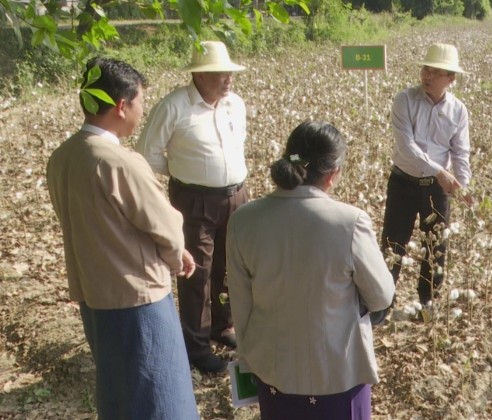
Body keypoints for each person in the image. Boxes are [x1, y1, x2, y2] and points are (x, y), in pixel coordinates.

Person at [46, 57, 199, 419]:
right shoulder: (118, 162)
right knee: (160, 398)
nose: (142, 111)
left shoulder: (62, 157)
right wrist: (176, 257)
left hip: (94, 297)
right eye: (141, 101)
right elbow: (166, 226)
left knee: (119, 394)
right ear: (121, 105)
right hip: (139, 300)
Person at [226, 121, 395, 419]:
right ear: (333, 173)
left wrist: (250, 358)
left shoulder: (243, 220)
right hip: (337, 373)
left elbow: (241, 305)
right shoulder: (349, 223)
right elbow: (381, 296)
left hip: (273, 369)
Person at [136, 40, 248, 373]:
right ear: (199, 75)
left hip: (237, 196)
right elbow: (146, 154)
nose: (228, 79)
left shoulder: (235, 104)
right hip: (194, 199)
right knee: (197, 271)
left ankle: (223, 326)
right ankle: (196, 346)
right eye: (220, 73)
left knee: (230, 266)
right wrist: (183, 170)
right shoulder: (174, 106)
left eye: (229, 72)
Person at [379, 42, 472, 317]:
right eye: (425, 69)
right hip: (403, 182)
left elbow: (460, 152)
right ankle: (383, 304)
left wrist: (463, 185)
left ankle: (427, 304)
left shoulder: (458, 111)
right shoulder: (404, 100)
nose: (427, 76)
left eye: (435, 72)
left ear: (451, 79)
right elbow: (407, 146)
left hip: (436, 188)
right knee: (393, 243)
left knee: (436, 246)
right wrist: (440, 172)